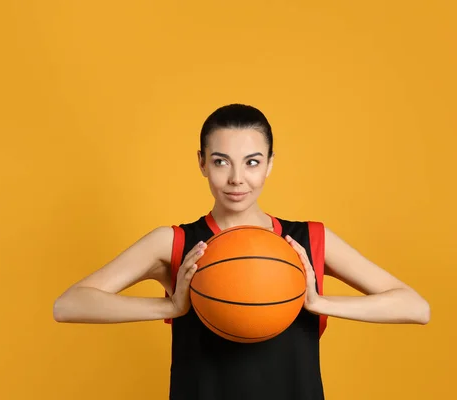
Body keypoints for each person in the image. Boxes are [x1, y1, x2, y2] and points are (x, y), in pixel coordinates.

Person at [53, 104, 430, 400]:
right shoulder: (174, 244)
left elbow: (415, 307)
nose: (237, 178)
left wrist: (318, 302)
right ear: (201, 162)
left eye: (252, 162)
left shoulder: (310, 240)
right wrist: (169, 308)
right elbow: (68, 305)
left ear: (269, 165)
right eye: (221, 161)